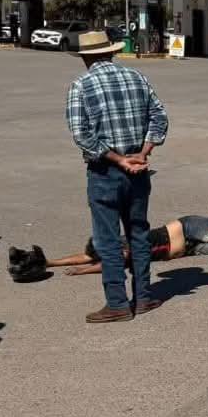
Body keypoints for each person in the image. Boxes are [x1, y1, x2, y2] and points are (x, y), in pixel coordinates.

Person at [65, 30, 169, 323]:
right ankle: (144, 297)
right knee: (138, 233)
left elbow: (81, 134)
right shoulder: (137, 78)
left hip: (106, 171)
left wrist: (118, 158)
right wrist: (143, 153)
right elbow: (159, 117)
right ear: (110, 52)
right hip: (138, 169)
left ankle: (117, 303)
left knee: (108, 239)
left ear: (87, 58)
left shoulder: (81, 86)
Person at [28, 215, 208, 277]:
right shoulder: (117, 254)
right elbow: (87, 256)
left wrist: (84, 272)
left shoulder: (128, 245)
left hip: (188, 228)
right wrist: (52, 262)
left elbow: (100, 263)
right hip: (188, 250)